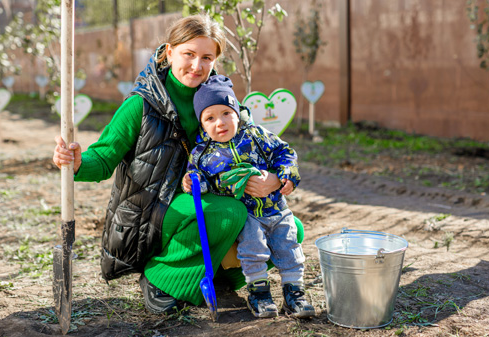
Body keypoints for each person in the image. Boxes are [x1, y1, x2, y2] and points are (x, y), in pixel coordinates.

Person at [53, 14, 304, 316]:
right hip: (155, 213)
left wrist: (277, 179)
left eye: (206, 57)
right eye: (189, 54)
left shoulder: (220, 100)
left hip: (210, 199)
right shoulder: (142, 104)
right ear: (170, 52)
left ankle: (215, 275)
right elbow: (104, 158)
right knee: (229, 213)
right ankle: (160, 276)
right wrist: (77, 162)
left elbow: (262, 143)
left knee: (292, 230)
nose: (197, 66)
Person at [181, 75, 315, 318]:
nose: (220, 122)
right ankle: (259, 293)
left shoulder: (255, 135)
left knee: (289, 248)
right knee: (253, 251)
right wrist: (191, 182)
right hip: (246, 214)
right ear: (202, 124)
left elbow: (284, 152)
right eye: (210, 118)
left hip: (276, 208)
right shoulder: (202, 154)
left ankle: (294, 293)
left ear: (236, 112)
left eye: (226, 113)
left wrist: (287, 175)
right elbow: (198, 180)